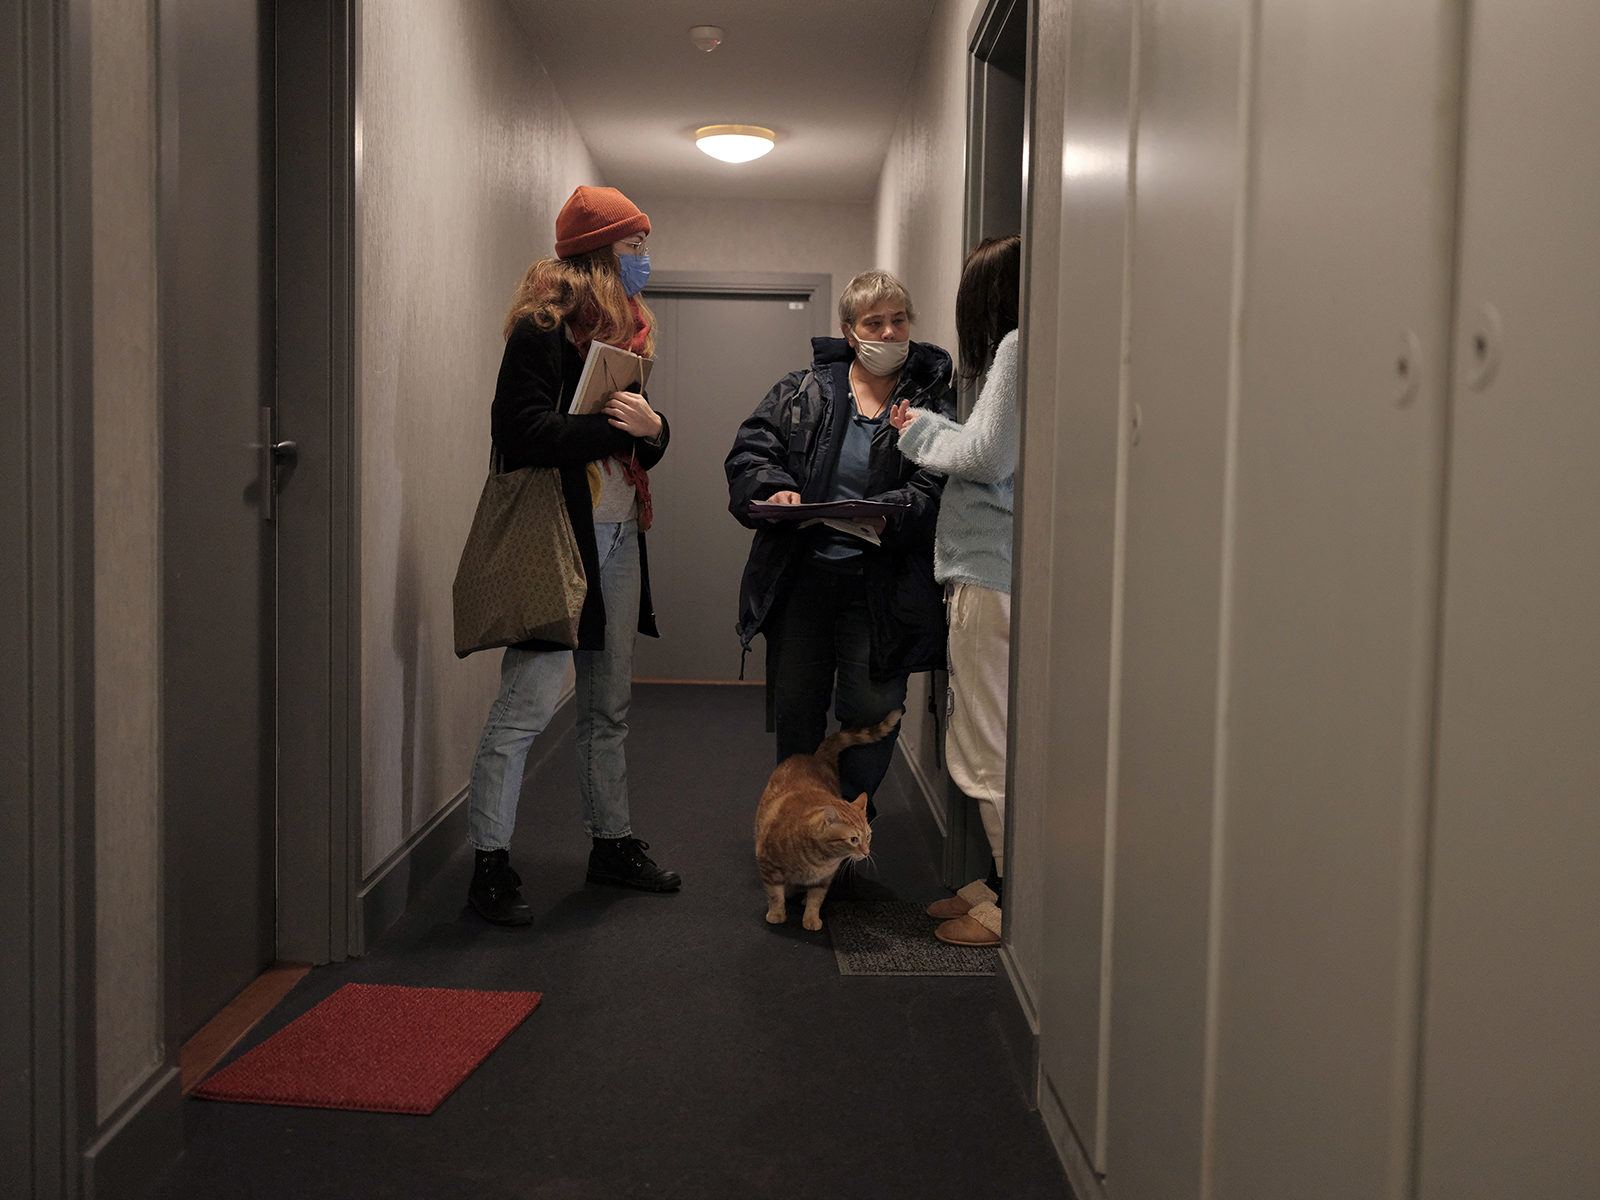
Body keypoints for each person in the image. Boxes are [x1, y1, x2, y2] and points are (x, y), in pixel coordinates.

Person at [465, 185, 681, 927]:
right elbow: (520, 432)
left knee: (607, 705)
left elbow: (644, 435)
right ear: (598, 253)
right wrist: (618, 433)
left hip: (617, 536)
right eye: (634, 246)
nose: (644, 259)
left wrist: (651, 427)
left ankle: (610, 843)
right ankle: (488, 865)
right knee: (523, 707)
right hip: (552, 538)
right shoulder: (541, 326)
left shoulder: (631, 333)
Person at [726, 270, 957, 815]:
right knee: (798, 706)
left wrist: (895, 513)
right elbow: (749, 454)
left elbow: (938, 482)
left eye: (898, 320)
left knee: (873, 708)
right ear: (850, 333)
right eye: (874, 323)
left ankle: (851, 818)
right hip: (804, 576)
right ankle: (803, 820)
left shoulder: (932, 402)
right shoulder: (802, 390)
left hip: (881, 583)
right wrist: (775, 488)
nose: (889, 332)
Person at [889, 235, 1021, 948]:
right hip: (998, 574)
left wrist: (920, 431)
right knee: (993, 737)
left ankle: (1011, 912)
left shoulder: (1020, 348)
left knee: (985, 745)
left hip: (989, 574)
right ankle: (1000, 886)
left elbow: (987, 456)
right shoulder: (1041, 351)